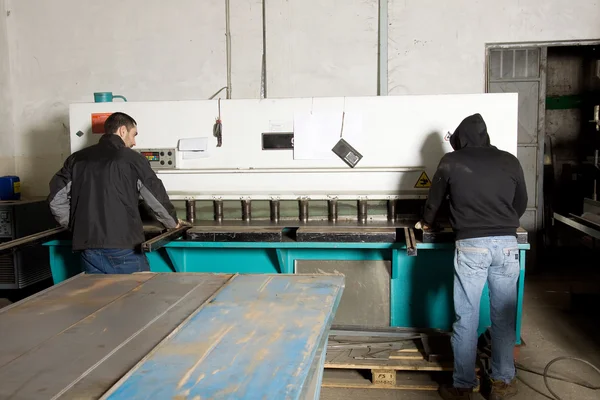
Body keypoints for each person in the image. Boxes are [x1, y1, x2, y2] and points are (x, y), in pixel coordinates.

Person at [417, 114, 527, 400]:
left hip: (471, 247)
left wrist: (427, 222)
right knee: (503, 318)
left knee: (466, 318)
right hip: (506, 246)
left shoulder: (451, 162)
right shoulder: (510, 160)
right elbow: (521, 202)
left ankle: (464, 386)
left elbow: (434, 201)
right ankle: (502, 383)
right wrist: (502, 221)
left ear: (460, 139)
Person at [48, 112, 185, 274]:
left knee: (101, 298)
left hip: (88, 248)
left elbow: (55, 199)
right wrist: (173, 223)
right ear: (122, 131)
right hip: (123, 248)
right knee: (138, 296)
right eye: (134, 135)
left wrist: (74, 225)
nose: (134, 142)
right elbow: (155, 195)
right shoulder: (132, 159)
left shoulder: (76, 159)